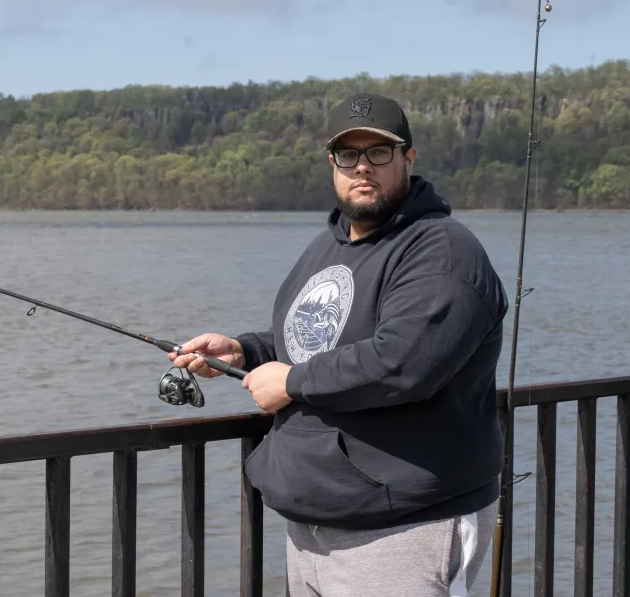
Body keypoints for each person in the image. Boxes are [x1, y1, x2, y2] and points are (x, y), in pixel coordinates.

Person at [169, 92, 507, 596]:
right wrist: (248, 352)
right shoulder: (330, 243)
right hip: (315, 521)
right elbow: (319, 339)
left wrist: (292, 381)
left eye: (378, 153)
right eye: (348, 155)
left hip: (405, 528)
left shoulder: (444, 252)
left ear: (408, 160)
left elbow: (402, 363)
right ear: (333, 163)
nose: (361, 167)